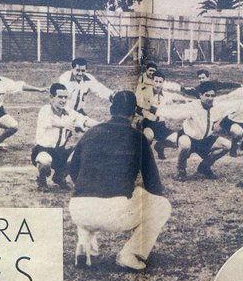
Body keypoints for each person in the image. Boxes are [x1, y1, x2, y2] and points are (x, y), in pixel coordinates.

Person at [67, 90, 172, 271]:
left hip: (79, 209)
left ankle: (84, 244)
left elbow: (72, 166)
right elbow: (153, 183)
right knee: (162, 205)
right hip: (112, 213)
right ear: (134, 113)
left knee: (89, 193)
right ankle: (129, 254)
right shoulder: (137, 138)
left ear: (110, 109)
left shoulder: (91, 133)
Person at [160, 82, 243, 178]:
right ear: (200, 95)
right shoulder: (192, 106)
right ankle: (181, 170)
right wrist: (154, 110)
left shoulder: (217, 106)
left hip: (205, 140)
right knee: (184, 145)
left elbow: (231, 104)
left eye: (212, 95)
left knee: (227, 145)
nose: (210, 98)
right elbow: (173, 114)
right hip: (189, 138)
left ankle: (204, 167)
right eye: (207, 95)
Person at [32, 83, 94, 191]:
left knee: (81, 151)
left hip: (60, 151)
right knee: (45, 161)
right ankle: (41, 179)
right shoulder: (45, 110)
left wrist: (103, 125)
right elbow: (48, 122)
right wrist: (64, 124)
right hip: (43, 150)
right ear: (51, 97)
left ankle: (59, 177)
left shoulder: (69, 112)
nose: (63, 100)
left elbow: (84, 120)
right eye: (60, 97)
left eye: (66, 97)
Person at [137, 69, 188, 159]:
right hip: (148, 123)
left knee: (176, 141)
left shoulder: (165, 95)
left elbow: (176, 97)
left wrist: (187, 100)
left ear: (163, 83)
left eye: (160, 82)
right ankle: (143, 157)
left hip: (161, 125)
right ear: (152, 81)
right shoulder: (145, 93)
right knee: (148, 137)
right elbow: (139, 108)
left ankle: (159, 146)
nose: (158, 84)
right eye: (156, 81)